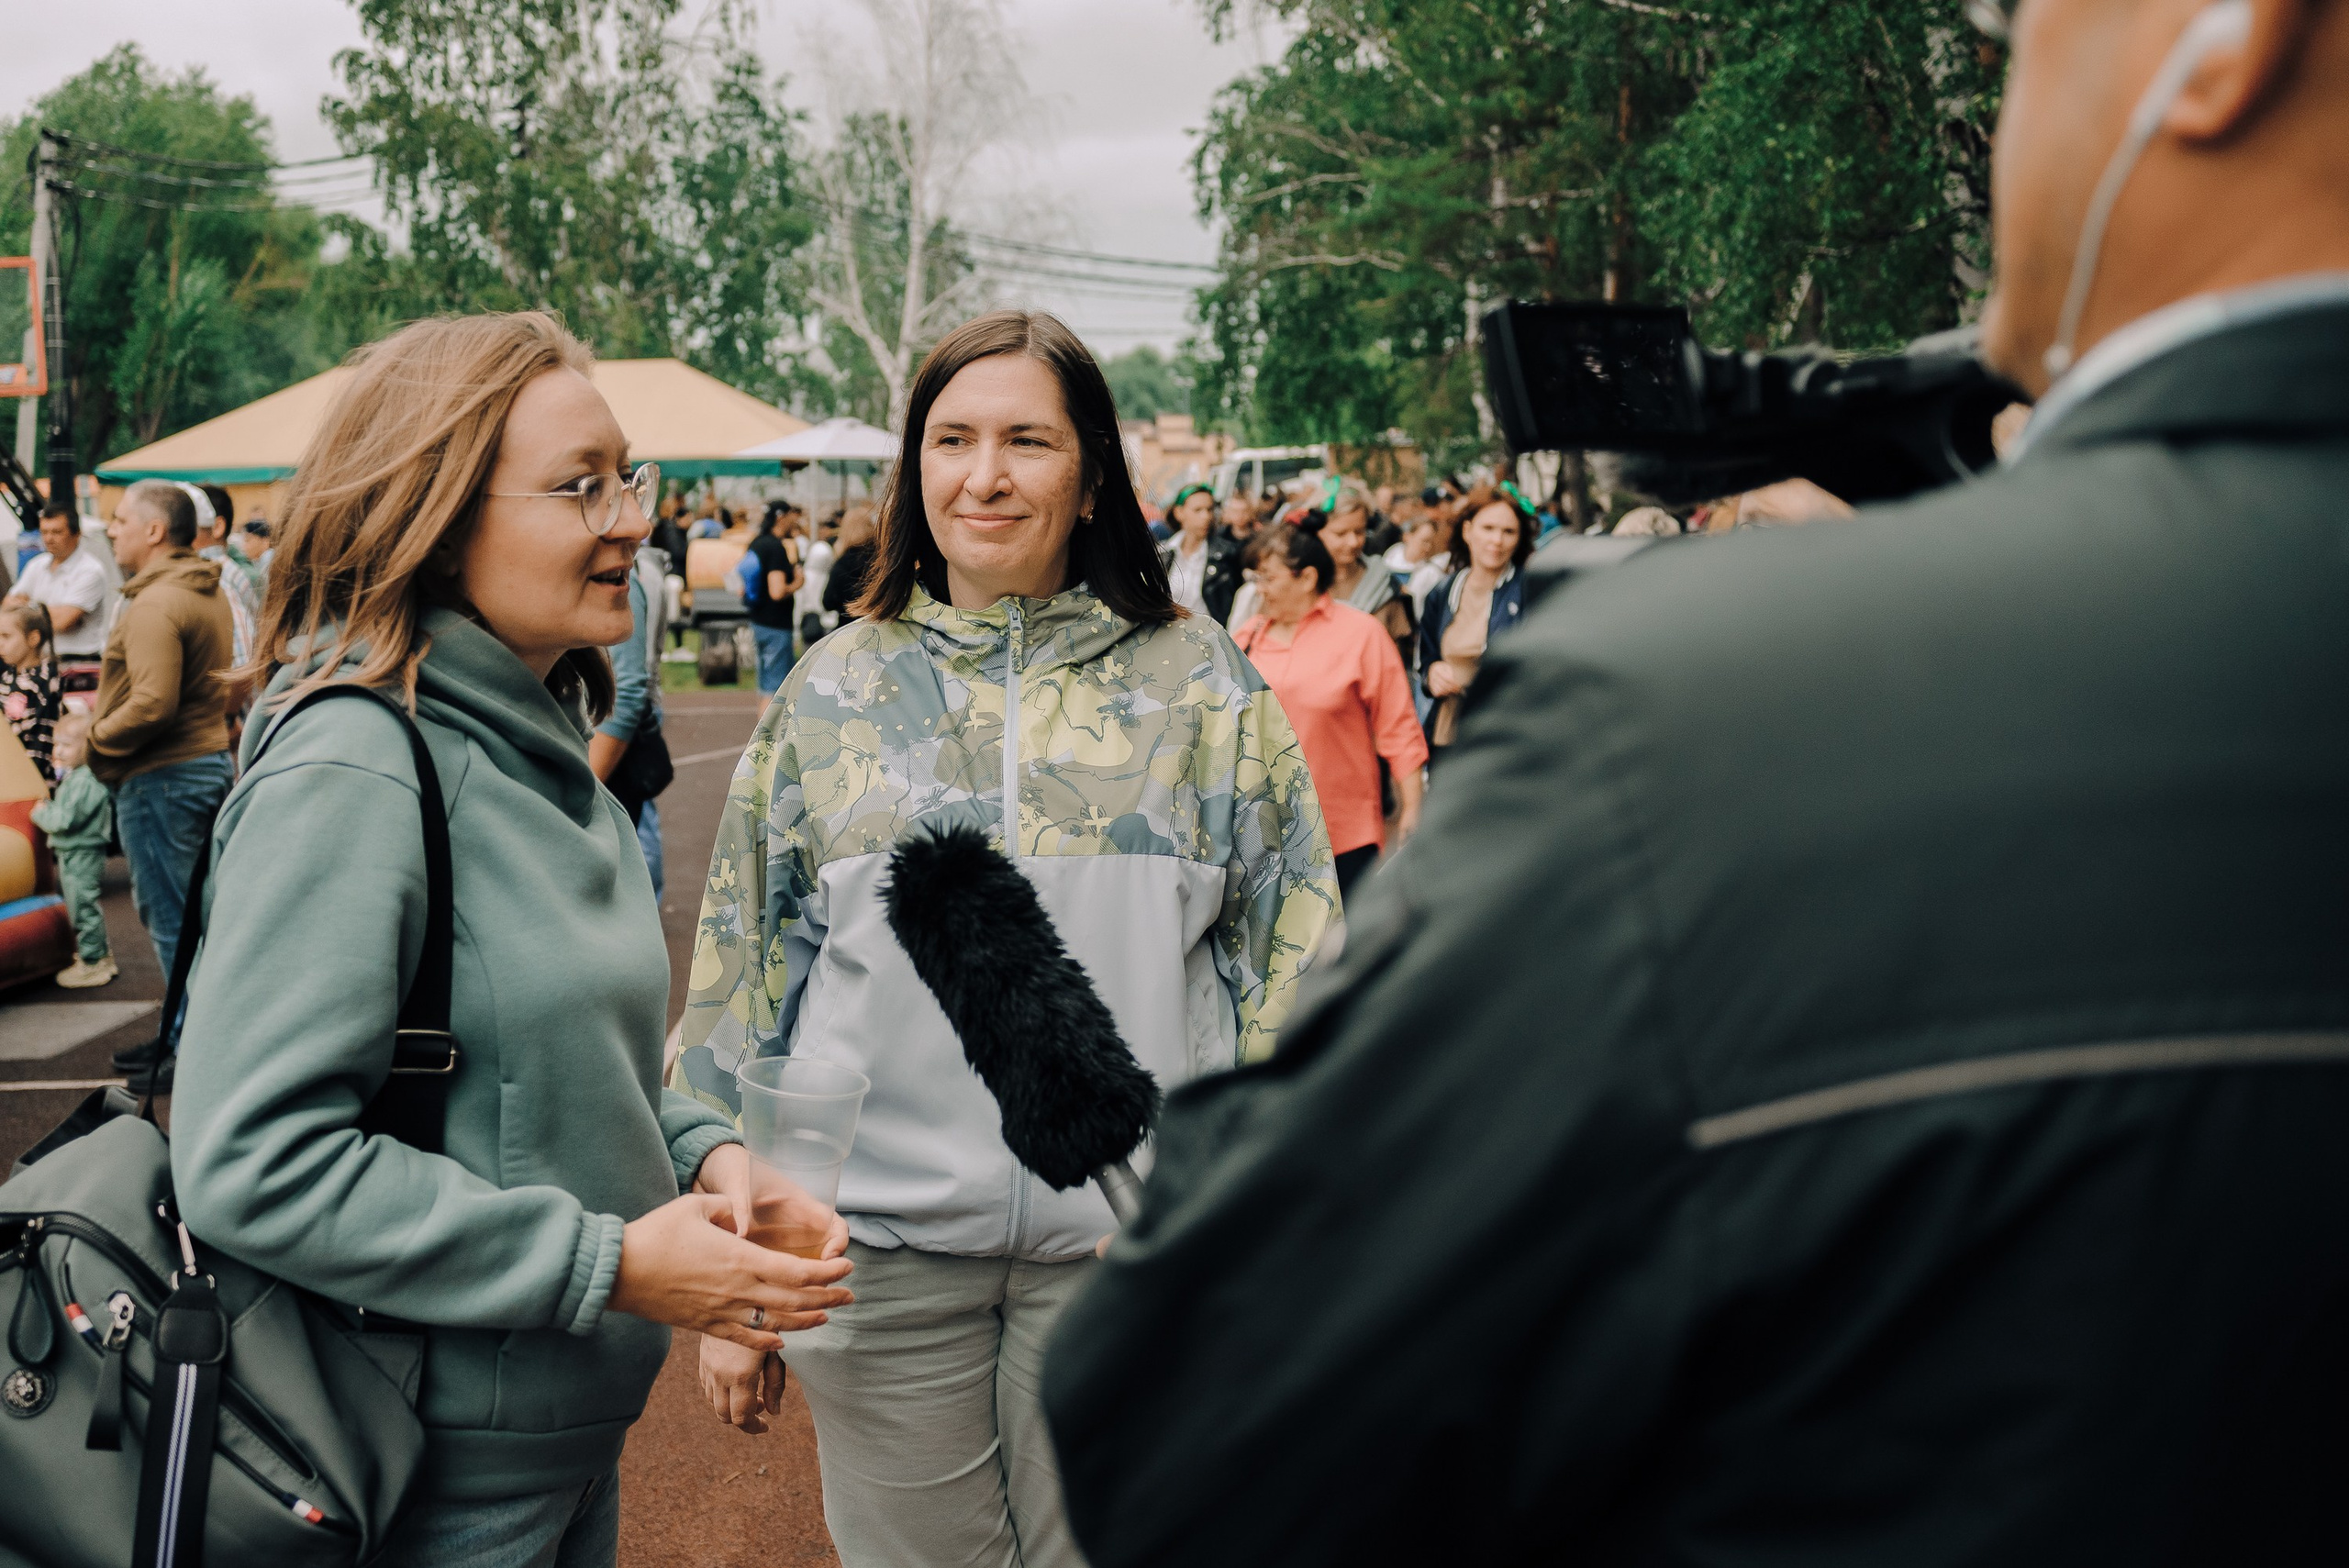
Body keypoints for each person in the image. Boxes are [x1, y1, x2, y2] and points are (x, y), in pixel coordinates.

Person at [1043, 2, 2349, 1563]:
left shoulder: (1680, 710)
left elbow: (1204, 1425)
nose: (2006, 88)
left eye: (2017, 27)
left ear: (2230, 40)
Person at [168, 312, 854, 1566]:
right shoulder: (358, 766)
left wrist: (704, 1159)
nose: (632, 518)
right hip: (417, 1475)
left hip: (547, 1456)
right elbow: (248, 1156)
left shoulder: (536, 749)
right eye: (579, 486)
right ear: (431, 513)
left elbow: (546, 1061)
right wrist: (608, 1260)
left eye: (628, 476)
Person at [672, 308, 1336, 1568]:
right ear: (913, 468)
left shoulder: (1204, 685)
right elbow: (741, 987)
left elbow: (1294, 967)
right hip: (876, 1268)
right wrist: (740, 1278)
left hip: (1132, 1260)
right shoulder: (834, 690)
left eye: (1027, 439)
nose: (985, 474)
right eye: (953, 438)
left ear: (1090, 472)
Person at [90, 481, 235, 981]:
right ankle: (189, 1039)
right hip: (203, 764)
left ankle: (187, 1046)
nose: (111, 530)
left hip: (162, 779)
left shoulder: (156, 602)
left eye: (121, 520)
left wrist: (95, 740)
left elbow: (153, 705)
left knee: (172, 922)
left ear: (154, 531)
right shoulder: (204, 589)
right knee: (201, 917)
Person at [1232, 525, 1423, 900]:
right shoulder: (1247, 637)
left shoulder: (1361, 634)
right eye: (1257, 578)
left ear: (1307, 578)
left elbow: (1398, 727)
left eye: (1268, 578)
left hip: (1343, 831)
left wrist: (1414, 810)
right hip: (1262, 834)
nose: (1261, 589)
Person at [593, 515, 673, 899]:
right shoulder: (645, 574)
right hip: (624, 713)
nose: (635, 525)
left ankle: (648, 899)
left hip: (618, 722)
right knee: (638, 820)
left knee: (632, 823)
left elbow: (628, 685)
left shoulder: (630, 581)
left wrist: (589, 778)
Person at [1417, 492, 1531, 756]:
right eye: (1488, 528)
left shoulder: (1529, 592)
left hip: (1507, 737)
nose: (1497, 540)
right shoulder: (1443, 591)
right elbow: (1426, 656)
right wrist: (1432, 672)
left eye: (1509, 531)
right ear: (1467, 531)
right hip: (1449, 733)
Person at [30, 713, 114, 989]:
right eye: (56, 744)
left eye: (66, 745)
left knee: (82, 908)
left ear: (87, 747)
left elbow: (65, 821)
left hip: (80, 853)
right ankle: (100, 956)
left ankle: (93, 962)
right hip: (75, 852)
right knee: (82, 905)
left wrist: (41, 813)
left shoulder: (84, 781)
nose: (58, 751)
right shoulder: (77, 777)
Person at [8, 501, 110, 694]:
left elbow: (63, 621)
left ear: (76, 533)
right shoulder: (36, 566)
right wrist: (48, 612)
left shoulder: (90, 570)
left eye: (56, 532)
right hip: (42, 664)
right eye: (44, 532)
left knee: (73, 722)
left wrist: (26, 608)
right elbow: (8, 610)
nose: (48, 538)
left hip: (79, 666)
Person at [1312, 481, 1414, 659]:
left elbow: (1397, 655)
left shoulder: (1382, 582)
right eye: (1340, 533)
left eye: (1359, 532)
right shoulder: (1303, 583)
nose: (1353, 542)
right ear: (1317, 532)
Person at [1157, 482, 1242, 623]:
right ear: (1179, 512)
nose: (1206, 516)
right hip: (1170, 635)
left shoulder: (1227, 554)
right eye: (1198, 510)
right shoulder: (1163, 552)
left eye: (1209, 509)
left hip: (1210, 637)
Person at [744, 501, 806, 693]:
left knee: (765, 684)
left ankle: (761, 721)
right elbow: (777, 591)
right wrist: (798, 582)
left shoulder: (756, 542)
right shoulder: (775, 548)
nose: (794, 521)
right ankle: (768, 723)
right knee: (777, 689)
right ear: (781, 517)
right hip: (776, 626)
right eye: (791, 515)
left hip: (758, 620)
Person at [0, 600, 62, 780]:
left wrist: (32, 778)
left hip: (32, 777)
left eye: (6, 636)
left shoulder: (44, 681)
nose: (0, 643)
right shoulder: (9, 677)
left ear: (33, 638)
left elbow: (41, 740)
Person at [820, 505, 877, 624]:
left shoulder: (842, 563)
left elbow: (828, 602)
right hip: (878, 624)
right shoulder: (881, 559)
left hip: (848, 626)